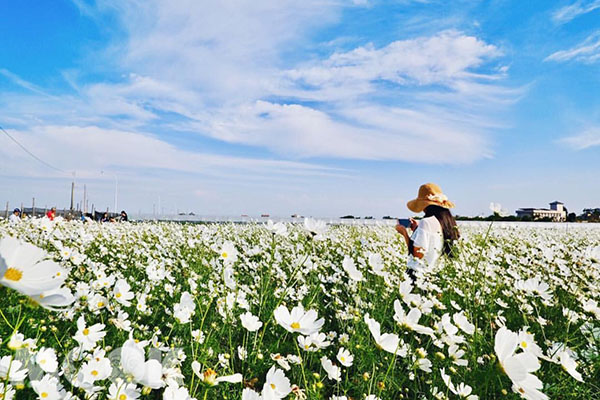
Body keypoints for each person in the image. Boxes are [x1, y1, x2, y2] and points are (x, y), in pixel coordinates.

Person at [396, 183, 459, 281]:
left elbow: (418, 254)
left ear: (425, 205)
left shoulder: (426, 222)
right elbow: (431, 243)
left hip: (417, 274)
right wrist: (416, 229)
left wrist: (404, 233)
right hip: (432, 275)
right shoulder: (446, 222)